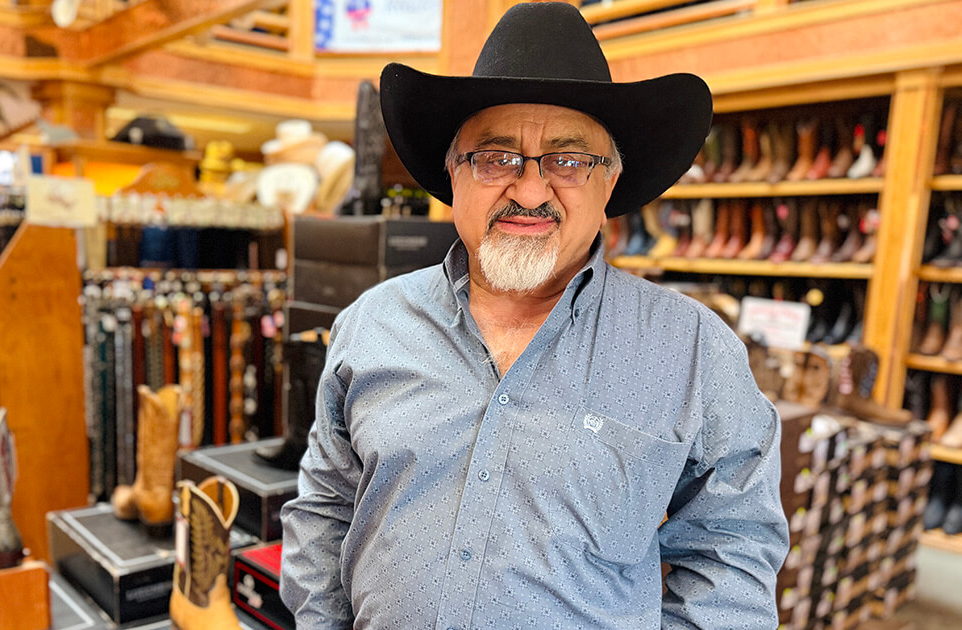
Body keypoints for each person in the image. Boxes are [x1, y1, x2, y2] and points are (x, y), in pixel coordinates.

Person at [279, 3, 788, 629]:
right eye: (496, 157)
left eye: (568, 161)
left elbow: (732, 551)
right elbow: (327, 509)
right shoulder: (373, 324)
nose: (529, 190)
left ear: (611, 182)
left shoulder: (692, 350)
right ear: (453, 173)